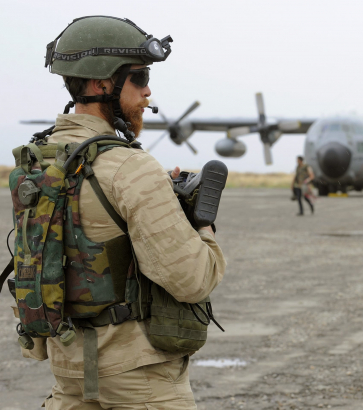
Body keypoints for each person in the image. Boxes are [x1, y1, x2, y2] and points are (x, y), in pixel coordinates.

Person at [17, 16, 226, 409]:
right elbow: (194, 279)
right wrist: (201, 225)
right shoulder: (131, 167)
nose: (148, 92)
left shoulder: (41, 162)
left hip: (69, 376)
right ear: (102, 84)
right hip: (139, 382)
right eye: (140, 78)